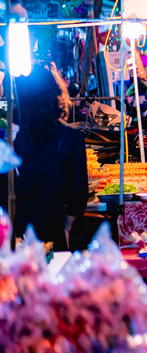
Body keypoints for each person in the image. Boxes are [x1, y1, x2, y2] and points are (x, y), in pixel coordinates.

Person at [2, 65, 87, 250]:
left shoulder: (8, 139)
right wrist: (67, 225)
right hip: (54, 231)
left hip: (14, 238)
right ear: (56, 94)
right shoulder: (72, 138)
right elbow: (78, 197)